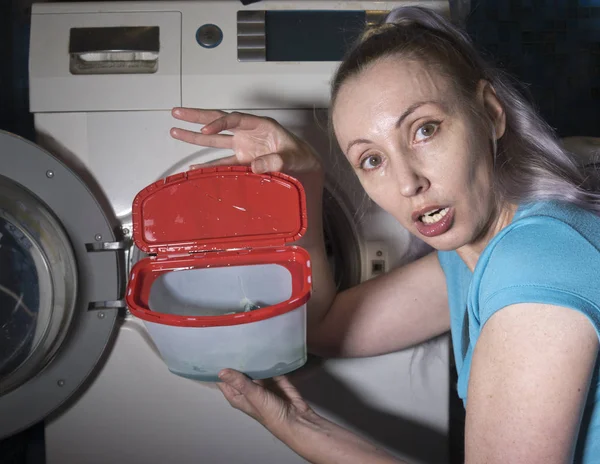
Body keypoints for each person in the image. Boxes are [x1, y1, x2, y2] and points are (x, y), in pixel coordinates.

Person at [170, 6, 600, 464]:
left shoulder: (532, 263)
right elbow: (324, 327)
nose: (407, 183)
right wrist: (306, 182)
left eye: (424, 130)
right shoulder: (474, 254)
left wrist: (300, 437)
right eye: (371, 160)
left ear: (491, 114)